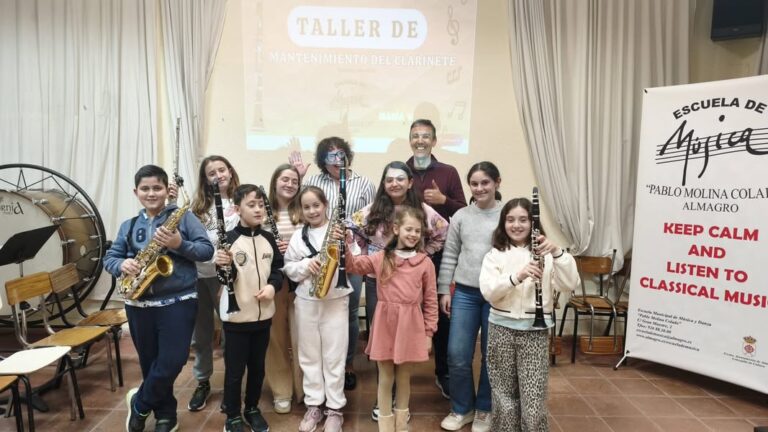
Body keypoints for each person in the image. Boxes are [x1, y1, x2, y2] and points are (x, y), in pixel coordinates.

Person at [103, 164, 213, 432]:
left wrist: (179, 244)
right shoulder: (128, 225)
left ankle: (139, 404)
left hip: (178, 302)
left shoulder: (184, 218)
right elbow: (111, 257)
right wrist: (122, 266)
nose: (151, 193)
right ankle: (166, 414)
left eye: (157, 188)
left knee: (173, 361)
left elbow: (206, 250)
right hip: (138, 304)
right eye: (145, 189)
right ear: (136, 191)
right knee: (150, 363)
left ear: (167, 190)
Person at [350, 161, 448, 421]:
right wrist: (363, 252)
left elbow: (442, 231)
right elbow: (352, 228)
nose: (395, 183)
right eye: (389, 179)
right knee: (382, 338)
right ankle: (384, 398)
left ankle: (399, 402)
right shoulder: (374, 209)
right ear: (384, 183)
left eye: (400, 179)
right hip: (378, 279)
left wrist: (421, 256)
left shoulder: (421, 210)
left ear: (410, 182)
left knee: (403, 346)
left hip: (409, 283)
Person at [479, 198, 578, 431]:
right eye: (510, 219)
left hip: (534, 331)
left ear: (533, 223)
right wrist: (517, 276)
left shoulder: (547, 254)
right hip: (501, 328)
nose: (516, 225)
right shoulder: (495, 254)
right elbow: (489, 291)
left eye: (523, 219)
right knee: (503, 393)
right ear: (503, 223)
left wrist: (557, 252)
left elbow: (570, 283)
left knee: (533, 395)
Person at [290, 136, 375, 390]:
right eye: (330, 155)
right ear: (322, 161)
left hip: (350, 253)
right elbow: (301, 208)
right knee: (318, 309)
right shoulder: (314, 181)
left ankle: (345, 364)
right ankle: (319, 370)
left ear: (348, 155)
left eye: (340, 154)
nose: (336, 160)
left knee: (348, 311)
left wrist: (351, 236)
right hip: (319, 254)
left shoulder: (364, 183)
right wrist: (299, 178)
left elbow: (371, 220)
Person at [345, 206, 438, 432]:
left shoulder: (425, 263)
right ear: (396, 229)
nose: (413, 234)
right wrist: (346, 245)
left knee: (404, 378)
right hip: (385, 325)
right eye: (409, 229)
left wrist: (428, 333)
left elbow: (431, 301)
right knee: (385, 377)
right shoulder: (381, 257)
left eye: (418, 231)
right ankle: (385, 425)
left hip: (410, 326)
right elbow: (353, 265)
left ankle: (401, 422)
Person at [437, 162, 503, 432]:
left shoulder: (509, 213)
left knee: (491, 355)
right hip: (464, 292)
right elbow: (450, 254)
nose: (479, 188)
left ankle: (484, 410)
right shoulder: (461, 216)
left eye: (485, 182)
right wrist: (444, 289)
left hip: (497, 295)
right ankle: (461, 408)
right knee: (457, 354)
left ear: (497, 182)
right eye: (474, 184)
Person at [283, 186, 353, 432]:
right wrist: (304, 265)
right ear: (301, 210)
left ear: (325, 206)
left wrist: (345, 242)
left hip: (335, 299)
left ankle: (334, 409)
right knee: (309, 356)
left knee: (334, 356)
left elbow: (352, 260)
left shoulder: (338, 232)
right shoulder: (297, 236)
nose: (312, 210)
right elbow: (288, 267)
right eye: (307, 207)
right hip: (306, 301)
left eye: (316, 205)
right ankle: (314, 405)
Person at [405, 119, 467, 399]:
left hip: (440, 254)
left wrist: (444, 201)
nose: (420, 140)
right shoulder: (400, 171)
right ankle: (397, 379)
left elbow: (464, 212)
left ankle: (443, 373)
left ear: (434, 141)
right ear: (410, 140)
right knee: (401, 312)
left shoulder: (448, 172)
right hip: (404, 256)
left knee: (441, 314)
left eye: (425, 136)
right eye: (416, 136)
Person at [216, 184, 284, 432]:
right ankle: (232, 414)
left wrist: (272, 287)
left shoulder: (268, 239)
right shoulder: (229, 241)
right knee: (235, 371)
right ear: (237, 209)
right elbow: (227, 278)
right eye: (251, 205)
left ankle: (252, 407)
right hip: (236, 320)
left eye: (261, 204)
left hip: (263, 317)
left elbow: (278, 269)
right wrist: (224, 265)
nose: (258, 209)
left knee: (257, 368)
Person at [188, 155, 241, 412]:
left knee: (231, 332)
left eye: (222, 170)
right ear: (204, 178)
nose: (218, 175)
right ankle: (202, 381)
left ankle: (232, 384)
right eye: (211, 172)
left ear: (230, 172)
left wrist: (226, 275)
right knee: (202, 334)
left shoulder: (241, 200)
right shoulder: (196, 208)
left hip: (229, 276)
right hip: (199, 276)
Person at [263, 164, 304, 414]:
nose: (289, 184)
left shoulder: (305, 209)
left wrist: (293, 246)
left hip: (301, 280)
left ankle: (304, 388)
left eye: (294, 181)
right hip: (274, 280)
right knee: (276, 338)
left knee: (302, 337)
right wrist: (273, 246)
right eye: (284, 179)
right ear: (274, 182)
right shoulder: (263, 211)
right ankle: (281, 391)